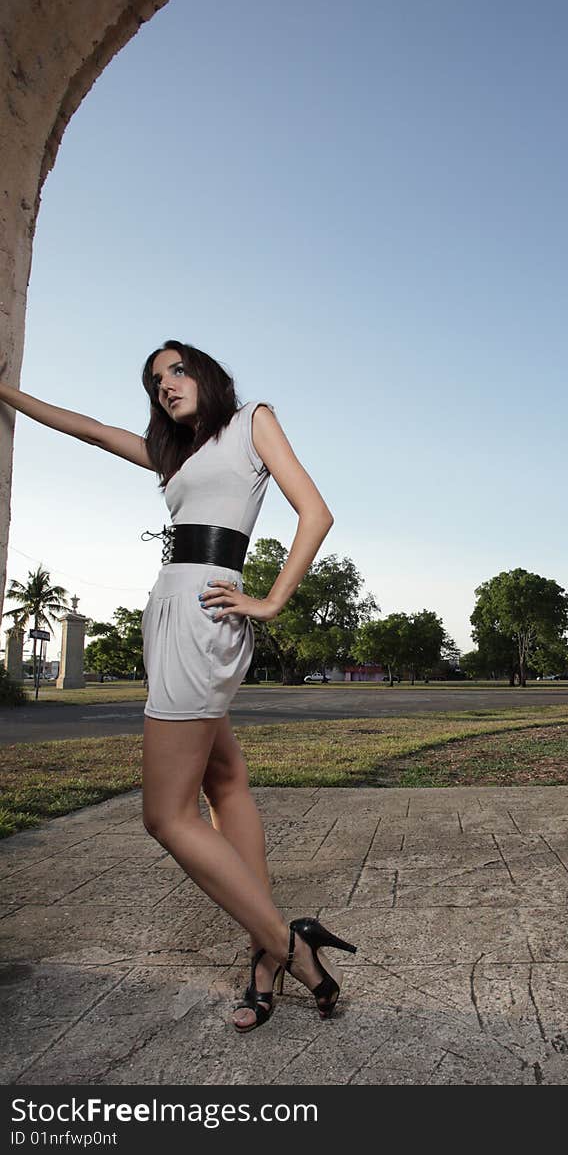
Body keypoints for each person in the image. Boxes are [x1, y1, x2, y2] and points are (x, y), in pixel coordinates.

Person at [0, 341, 356, 1032]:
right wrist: (8, 394)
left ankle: (292, 946)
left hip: (204, 612)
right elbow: (89, 429)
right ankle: (265, 955)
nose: (165, 384)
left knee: (165, 814)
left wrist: (272, 600)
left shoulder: (252, 419)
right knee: (224, 781)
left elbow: (316, 512)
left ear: (207, 372)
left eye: (177, 368)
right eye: (154, 379)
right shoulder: (176, 455)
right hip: (171, 610)